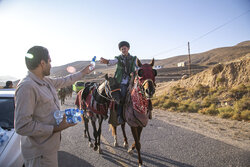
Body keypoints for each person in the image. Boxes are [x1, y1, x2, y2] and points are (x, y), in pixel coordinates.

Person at [14, 46, 93, 167]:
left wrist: (83, 72)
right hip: (39, 155)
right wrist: (56, 128)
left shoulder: (45, 81)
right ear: (42, 63)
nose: (51, 64)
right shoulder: (27, 87)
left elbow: (65, 80)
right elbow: (22, 126)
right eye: (49, 61)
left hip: (47, 150)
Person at [100, 41, 137, 124]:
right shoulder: (118, 58)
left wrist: (136, 72)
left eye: (125, 48)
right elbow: (112, 62)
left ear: (128, 48)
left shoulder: (134, 58)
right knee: (122, 96)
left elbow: (138, 66)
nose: (123, 50)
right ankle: (120, 115)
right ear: (120, 50)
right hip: (122, 81)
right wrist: (106, 61)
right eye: (122, 49)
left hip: (132, 80)